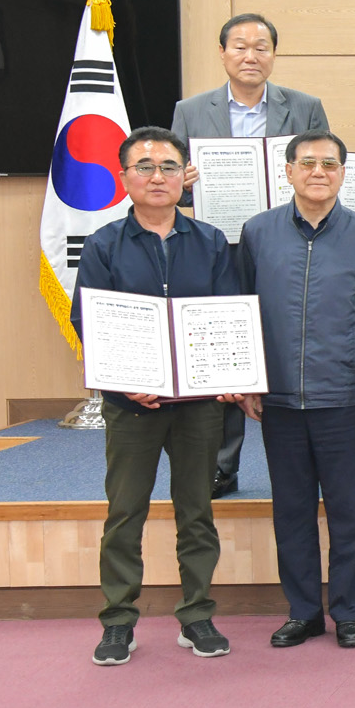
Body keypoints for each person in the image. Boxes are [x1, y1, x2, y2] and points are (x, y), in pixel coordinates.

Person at [73, 127, 242, 665]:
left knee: (197, 511)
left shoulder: (211, 241)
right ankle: (118, 621)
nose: (157, 177)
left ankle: (197, 615)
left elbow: (227, 314)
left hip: (198, 407)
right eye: (144, 167)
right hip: (132, 405)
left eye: (169, 166)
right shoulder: (103, 244)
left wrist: (226, 373)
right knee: (126, 513)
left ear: (183, 177)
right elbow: (89, 321)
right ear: (124, 178)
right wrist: (125, 382)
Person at [237, 131, 355, 650]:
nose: (318, 172)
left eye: (329, 163)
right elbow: (242, 310)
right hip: (278, 400)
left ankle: (348, 612)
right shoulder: (257, 232)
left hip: (343, 400)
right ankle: (303, 612)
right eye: (307, 163)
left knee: (349, 514)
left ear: (343, 173)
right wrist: (248, 379)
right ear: (288, 171)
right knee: (292, 512)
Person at [172, 12, 331, 500]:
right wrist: (184, 183)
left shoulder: (304, 107)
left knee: (292, 336)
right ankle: (222, 465)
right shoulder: (189, 111)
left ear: (274, 55)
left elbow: (324, 172)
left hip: (287, 243)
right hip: (218, 245)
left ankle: (310, 459)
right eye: (239, 46)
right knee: (226, 345)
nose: (250, 55)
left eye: (261, 47)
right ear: (222, 53)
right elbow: (173, 188)